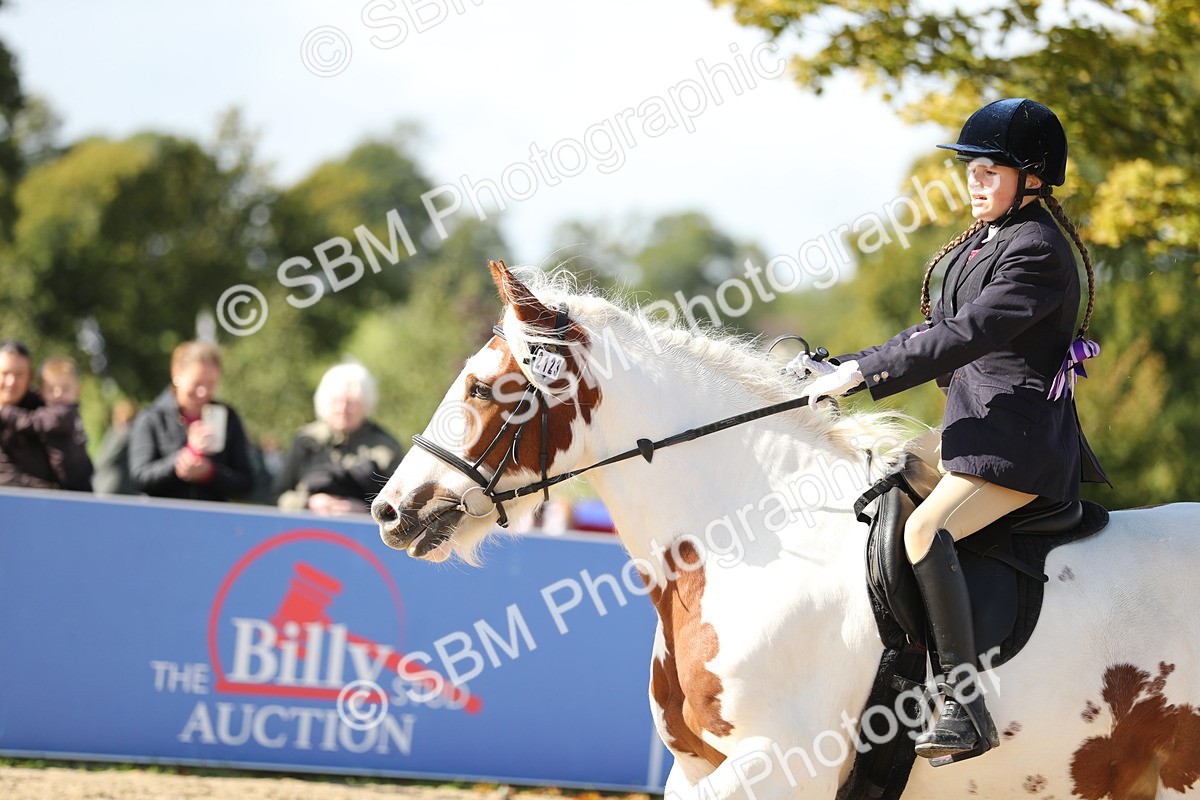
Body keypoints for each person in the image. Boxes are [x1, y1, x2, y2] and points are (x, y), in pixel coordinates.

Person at [790, 98, 1108, 760]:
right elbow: (933, 331)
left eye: (990, 172)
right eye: (971, 170)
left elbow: (968, 335)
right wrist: (847, 366)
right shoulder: (984, 242)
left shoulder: (1039, 251)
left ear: (1033, 178)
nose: (974, 182)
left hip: (1017, 446)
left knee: (924, 531)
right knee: (879, 486)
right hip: (973, 429)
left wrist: (863, 376)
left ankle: (965, 705)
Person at [129, 340, 254, 502]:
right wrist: (180, 462)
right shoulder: (152, 418)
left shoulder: (228, 418)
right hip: (165, 513)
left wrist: (210, 473)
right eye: (197, 383)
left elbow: (246, 483)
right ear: (177, 374)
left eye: (210, 385)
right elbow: (140, 478)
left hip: (210, 513)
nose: (203, 392)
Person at [274, 363, 403, 515]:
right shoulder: (305, 440)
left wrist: (365, 510)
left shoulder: (386, 448)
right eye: (336, 401)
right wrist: (307, 503)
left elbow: (401, 505)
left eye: (351, 403)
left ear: (365, 405)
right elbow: (277, 495)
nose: (343, 409)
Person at [0, 342, 93, 491]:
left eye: (19, 375)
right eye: (5, 373)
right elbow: (7, 477)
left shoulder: (47, 406)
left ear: (30, 377)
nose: (11, 382)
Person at [93, 399, 139, 495]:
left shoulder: (122, 434)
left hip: (113, 487)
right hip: (123, 488)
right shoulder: (132, 433)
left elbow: (103, 459)